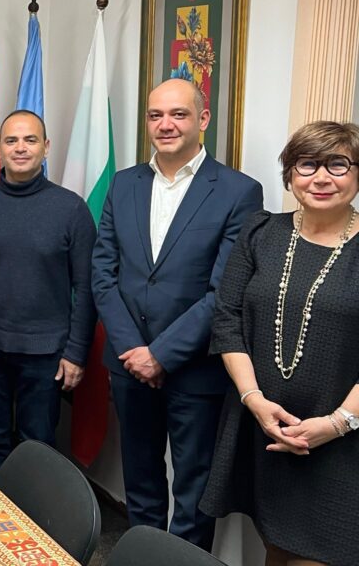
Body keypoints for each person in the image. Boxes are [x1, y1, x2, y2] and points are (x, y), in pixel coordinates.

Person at [92, 77, 263, 550]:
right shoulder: (124, 183)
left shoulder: (239, 191)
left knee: (193, 493)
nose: (165, 125)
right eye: (155, 115)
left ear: (203, 119)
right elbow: (103, 274)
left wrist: (161, 355)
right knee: (140, 482)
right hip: (128, 365)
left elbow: (225, 290)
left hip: (195, 369)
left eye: (178, 114)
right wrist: (134, 351)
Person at [200, 121, 359, 566]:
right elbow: (228, 318)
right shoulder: (260, 232)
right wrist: (253, 399)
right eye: (307, 164)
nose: (321, 177)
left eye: (338, 164)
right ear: (290, 174)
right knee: (278, 548)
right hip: (265, 429)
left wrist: (337, 423)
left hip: (343, 441)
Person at [0, 110, 96, 477]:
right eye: (11, 140)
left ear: (46, 147)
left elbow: (87, 287)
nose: (21, 148)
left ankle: (34, 514)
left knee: (38, 444)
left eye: (30, 140)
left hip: (47, 352)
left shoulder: (71, 209)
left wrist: (76, 353)